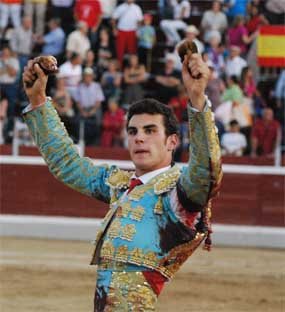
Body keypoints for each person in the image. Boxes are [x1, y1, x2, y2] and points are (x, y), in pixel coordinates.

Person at [22, 49, 222, 311]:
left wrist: (197, 99)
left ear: (172, 141)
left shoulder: (179, 194)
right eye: (133, 131)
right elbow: (67, 164)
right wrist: (38, 99)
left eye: (150, 131)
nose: (139, 138)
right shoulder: (121, 185)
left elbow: (206, 172)